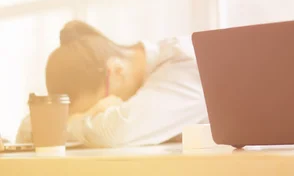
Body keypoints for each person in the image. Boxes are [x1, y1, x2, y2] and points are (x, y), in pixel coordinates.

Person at [16, 20, 207, 148]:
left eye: (97, 109)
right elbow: (27, 127)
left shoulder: (187, 63)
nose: (95, 116)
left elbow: (115, 131)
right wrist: (83, 117)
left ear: (116, 71)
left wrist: (59, 126)